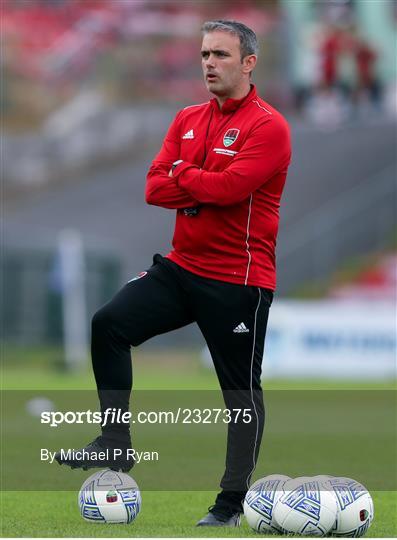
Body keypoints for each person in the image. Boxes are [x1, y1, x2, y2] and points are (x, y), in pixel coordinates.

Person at [55, 19, 291, 527]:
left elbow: (227, 191)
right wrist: (198, 179)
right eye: (205, 54)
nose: (209, 63)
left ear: (249, 63)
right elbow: (152, 189)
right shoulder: (186, 117)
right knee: (108, 324)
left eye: (221, 55)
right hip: (181, 267)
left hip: (238, 279)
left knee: (239, 395)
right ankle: (115, 445)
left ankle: (229, 505)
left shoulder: (268, 125)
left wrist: (183, 172)